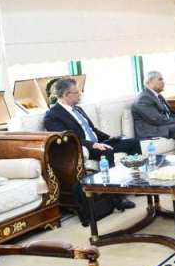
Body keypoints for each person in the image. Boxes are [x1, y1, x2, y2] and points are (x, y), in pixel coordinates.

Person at [43, 78, 140, 210]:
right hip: (83, 148)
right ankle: (116, 198)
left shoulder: (77, 109)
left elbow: (92, 129)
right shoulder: (52, 116)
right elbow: (68, 139)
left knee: (133, 142)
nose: (80, 94)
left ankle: (138, 184)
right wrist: (92, 145)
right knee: (106, 152)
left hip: (99, 143)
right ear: (66, 94)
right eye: (77, 92)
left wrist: (110, 138)